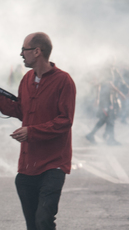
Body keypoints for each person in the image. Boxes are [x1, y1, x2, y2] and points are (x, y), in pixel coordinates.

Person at [0, 33, 76, 230]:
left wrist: (31, 132)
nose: (21, 54)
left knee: (44, 220)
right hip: (27, 167)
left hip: (53, 165)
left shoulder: (64, 81)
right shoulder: (27, 78)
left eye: (24, 50)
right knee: (33, 225)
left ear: (37, 51)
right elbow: (21, 111)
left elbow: (65, 121)